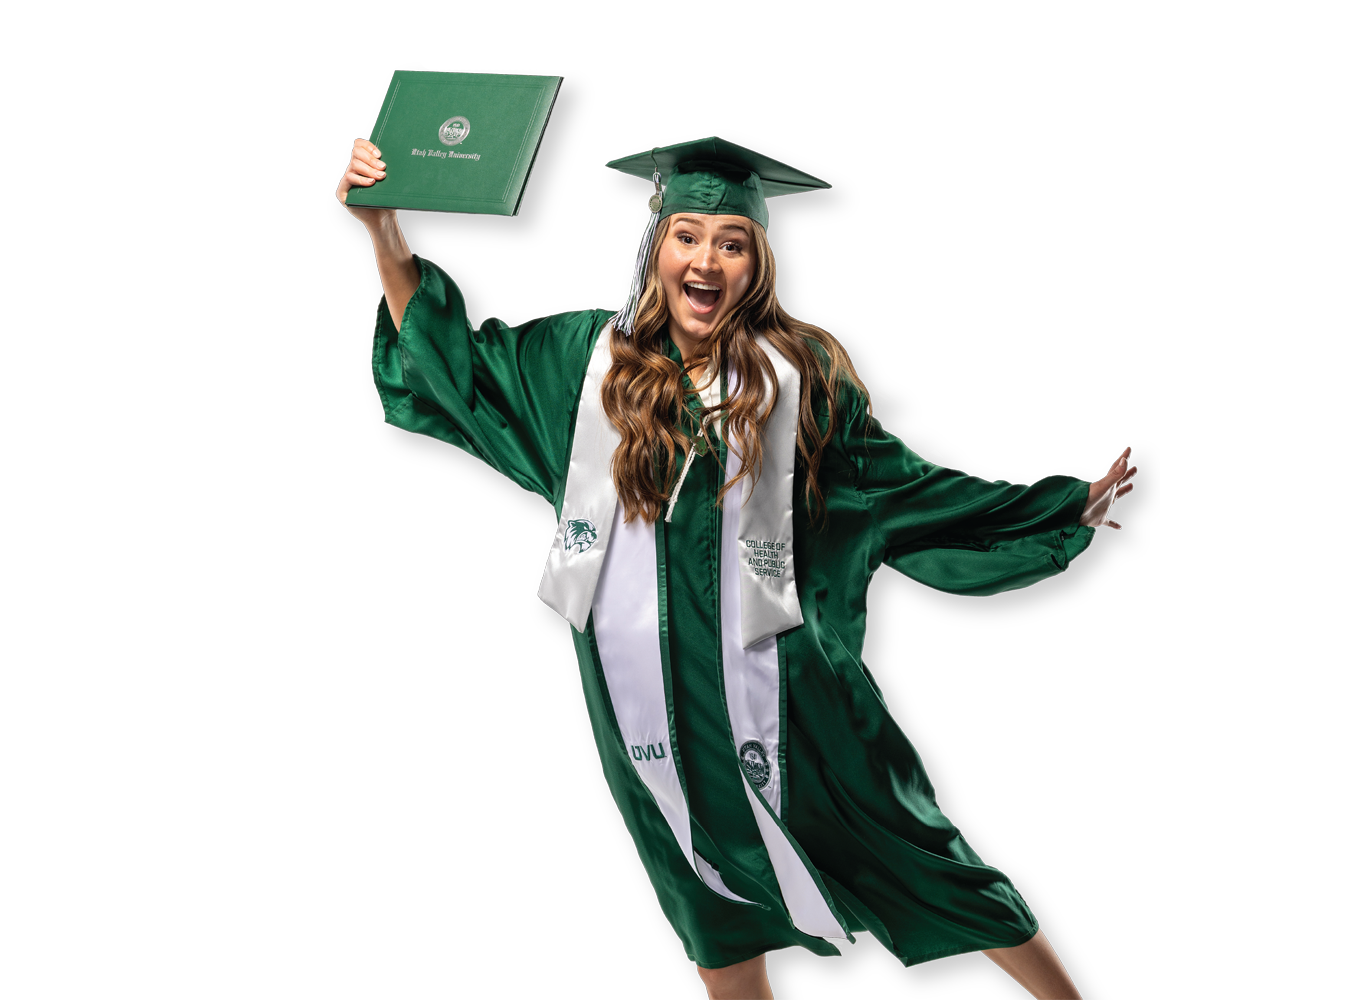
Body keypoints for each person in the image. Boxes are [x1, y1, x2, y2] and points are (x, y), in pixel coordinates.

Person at [339, 134, 1134, 1000]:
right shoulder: (582, 367)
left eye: (732, 242)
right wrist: (382, 227)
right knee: (704, 902)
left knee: (921, 855)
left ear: (757, 262)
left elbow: (897, 488)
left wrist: (1057, 507)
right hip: (642, 707)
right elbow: (457, 364)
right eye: (687, 235)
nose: (706, 260)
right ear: (656, 248)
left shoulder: (804, 375)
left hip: (791, 694)